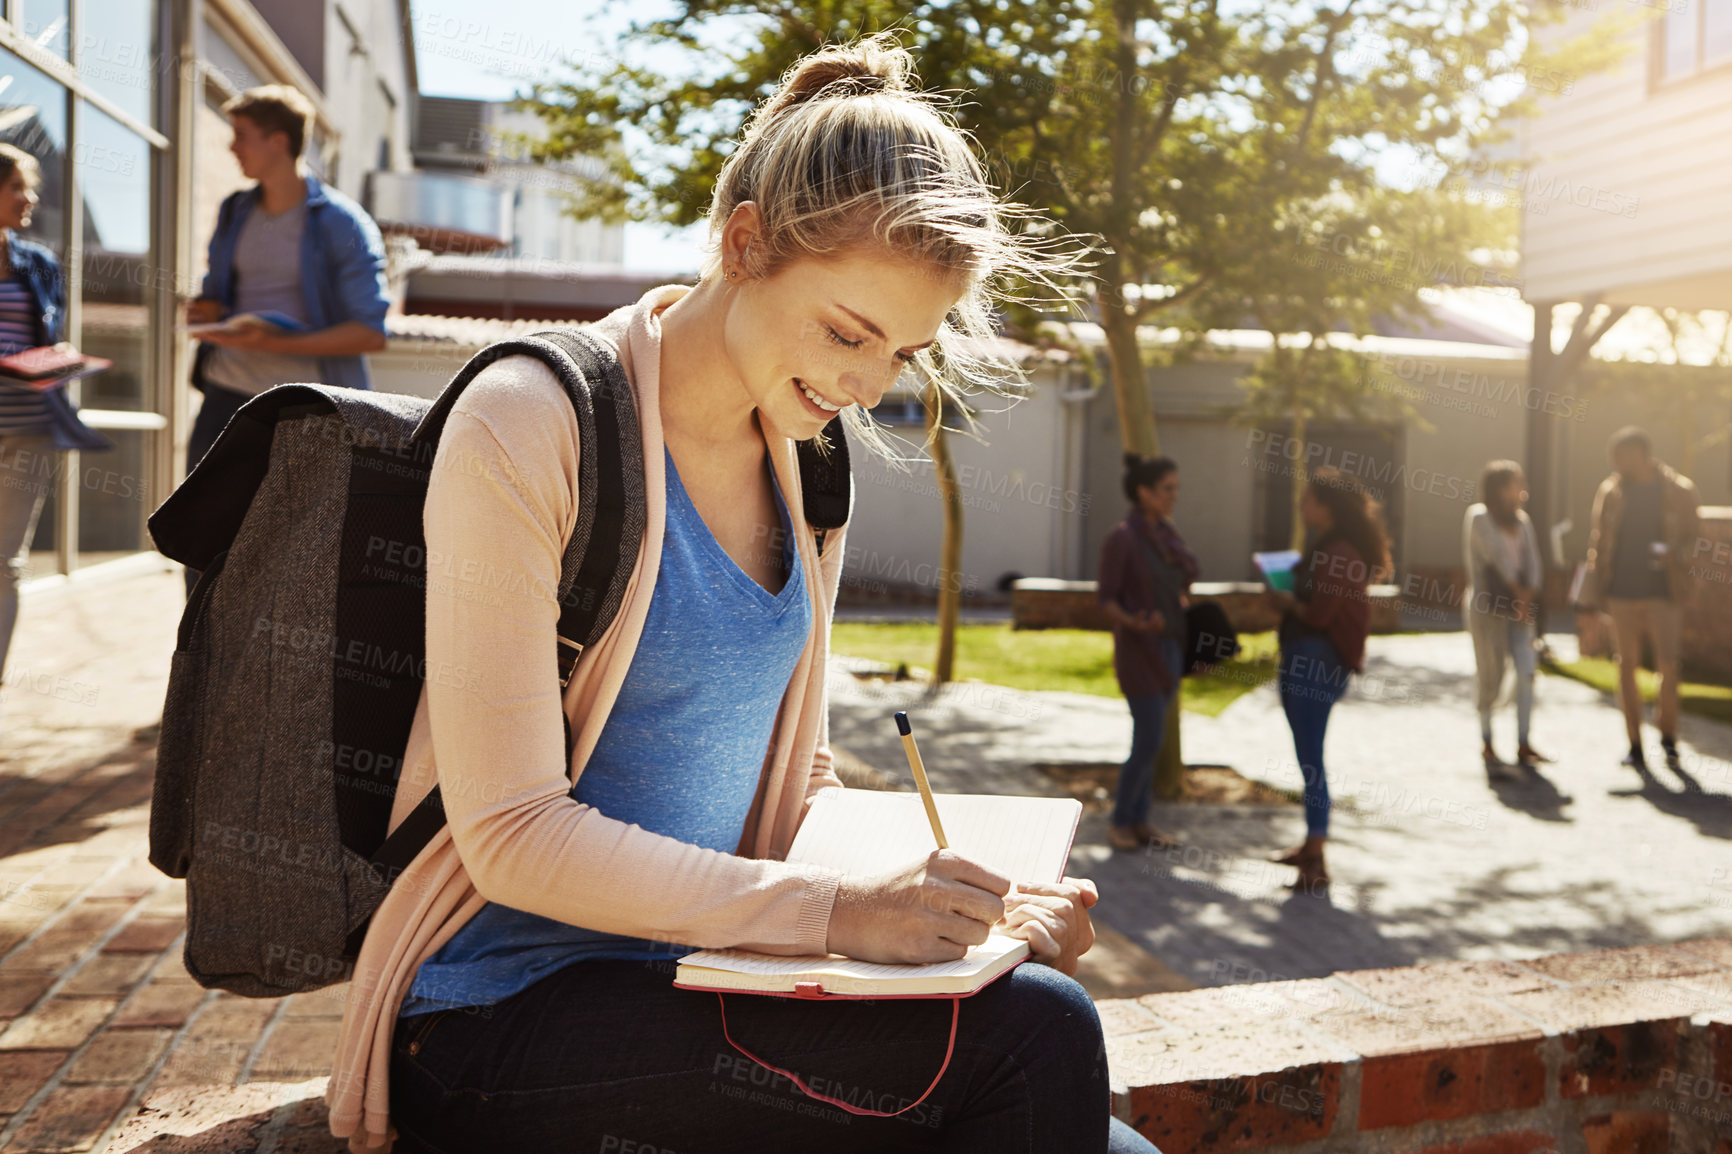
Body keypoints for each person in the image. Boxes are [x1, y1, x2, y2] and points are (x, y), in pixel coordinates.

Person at [324, 36, 1158, 1154]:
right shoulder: (532, 421)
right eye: (847, 332)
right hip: (500, 1011)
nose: (868, 384)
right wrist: (842, 915)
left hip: (710, 976)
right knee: (1038, 1039)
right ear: (744, 240)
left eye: (904, 352)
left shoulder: (809, 461)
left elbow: (795, 773)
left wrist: (962, 910)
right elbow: (513, 835)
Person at [182, 85, 389, 595]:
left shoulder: (342, 224)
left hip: (301, 410)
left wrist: (271, 344)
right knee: (199, 541)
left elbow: (368, 332)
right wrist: (209, 311)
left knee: (293, 556)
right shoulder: (235, 211)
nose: (232, 147)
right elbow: (217, 292)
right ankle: (201, 667)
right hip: (225, 400)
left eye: (242, 136)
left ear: (279, 141)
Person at [0, 142, 109, 695]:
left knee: (5, 562)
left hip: (29, 430)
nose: (30, 198)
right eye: (18, 186)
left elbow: (50, 332)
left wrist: (57, 358)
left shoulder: (38, 263)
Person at [1266, 468, 1391, 889]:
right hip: (1311, 657)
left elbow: (1319, 614)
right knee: (1307, 757)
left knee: (1311, 759)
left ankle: (1316, 857)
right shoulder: (1327, 547)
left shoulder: (1339, 553)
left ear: (1327, 506)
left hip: (1316, 661)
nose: (1302, 506)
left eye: (1309, 499)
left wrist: (1286, 600)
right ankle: (1311, 844)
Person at [1583, 426, 1700, 772]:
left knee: (1668, 664)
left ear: (1639, 455)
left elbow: (1696, 539)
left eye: (1619, 456)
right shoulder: (1612, 491)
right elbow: (1597, 541)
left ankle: (1668, 736)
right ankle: (1635, 744)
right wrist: (1590, 595)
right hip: (1620, 591)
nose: (1614, 463)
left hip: (1664, 592)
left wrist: (1676, 553)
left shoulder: (1680, 490)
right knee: (1625, 667)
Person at [1097, 454, 1199, 852]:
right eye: (1167, 489)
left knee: (1153, 740)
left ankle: (1140, 821)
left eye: (1176, 488)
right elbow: (1106, 600)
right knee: (1148, 737)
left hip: (1172, 645)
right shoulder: (1122, 538)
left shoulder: (1167, 537)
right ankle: (1121, 820)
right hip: (1140, 650)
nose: (1175, 496)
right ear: (1144, 492)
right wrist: (1138, 623)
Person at [1463, 461, 1548, 774]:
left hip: (1520, 611)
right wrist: (1518, 591)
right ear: (1500, 488)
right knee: (1491, 674)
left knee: (1527, 672)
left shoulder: (1523, 521)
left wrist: (1528, 595)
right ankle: (1487, 740)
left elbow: (1534, 560)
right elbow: (1495, 553)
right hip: (1489, 611)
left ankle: (1524, 742)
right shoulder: (1479, 517)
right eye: (1516, 482)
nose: (1522, 488)